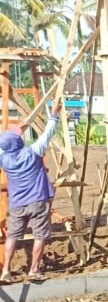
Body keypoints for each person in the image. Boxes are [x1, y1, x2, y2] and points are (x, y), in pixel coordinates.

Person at [0, 106, 62, 284]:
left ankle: (5, 272)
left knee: (12, 236)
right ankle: (34, 270)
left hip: (17, 203)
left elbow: (5, 145)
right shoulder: (32, 152)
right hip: (38, 201)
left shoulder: (4, 158)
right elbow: (47, 134)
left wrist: (16, 130)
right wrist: (54, 116)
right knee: (40, 235)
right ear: (19, 142)